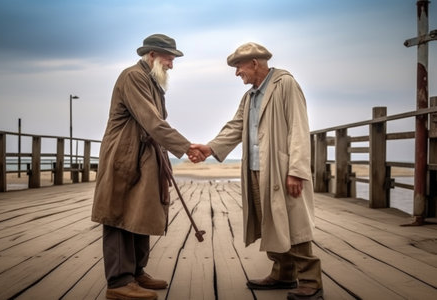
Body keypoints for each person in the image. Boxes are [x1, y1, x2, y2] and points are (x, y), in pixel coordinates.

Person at [190, 42, 323, 300]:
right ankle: (283, 273)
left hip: (281, 169)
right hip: (255, 168)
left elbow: (299, 128)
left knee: (294, 223)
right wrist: (209, 148)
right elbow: (235, 126)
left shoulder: (285, 84)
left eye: (239, 66)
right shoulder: (250, 95)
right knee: (270, 221)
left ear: (254, 63)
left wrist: (296, 171)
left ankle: (311, 281)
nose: (237, 73)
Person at [91, 33, 204, 300]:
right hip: (124, 155)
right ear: (151, 55)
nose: (171, 65)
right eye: (168, 59)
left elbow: (154, 125)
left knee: (139, 213)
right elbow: (152, 122)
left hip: (145, 156)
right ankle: (119, 282)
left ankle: (136, 273)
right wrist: (186, 147)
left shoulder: (150, 80)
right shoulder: (133, 76)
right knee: (119, 214)